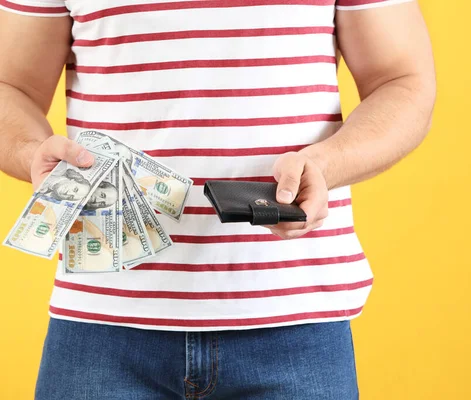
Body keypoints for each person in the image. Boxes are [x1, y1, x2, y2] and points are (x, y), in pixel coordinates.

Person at [0, 0, 436, 398]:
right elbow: (9, 85)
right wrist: (29, 152)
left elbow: (401, 80)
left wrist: (328, 164)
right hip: (101, 324)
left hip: (296, 320)